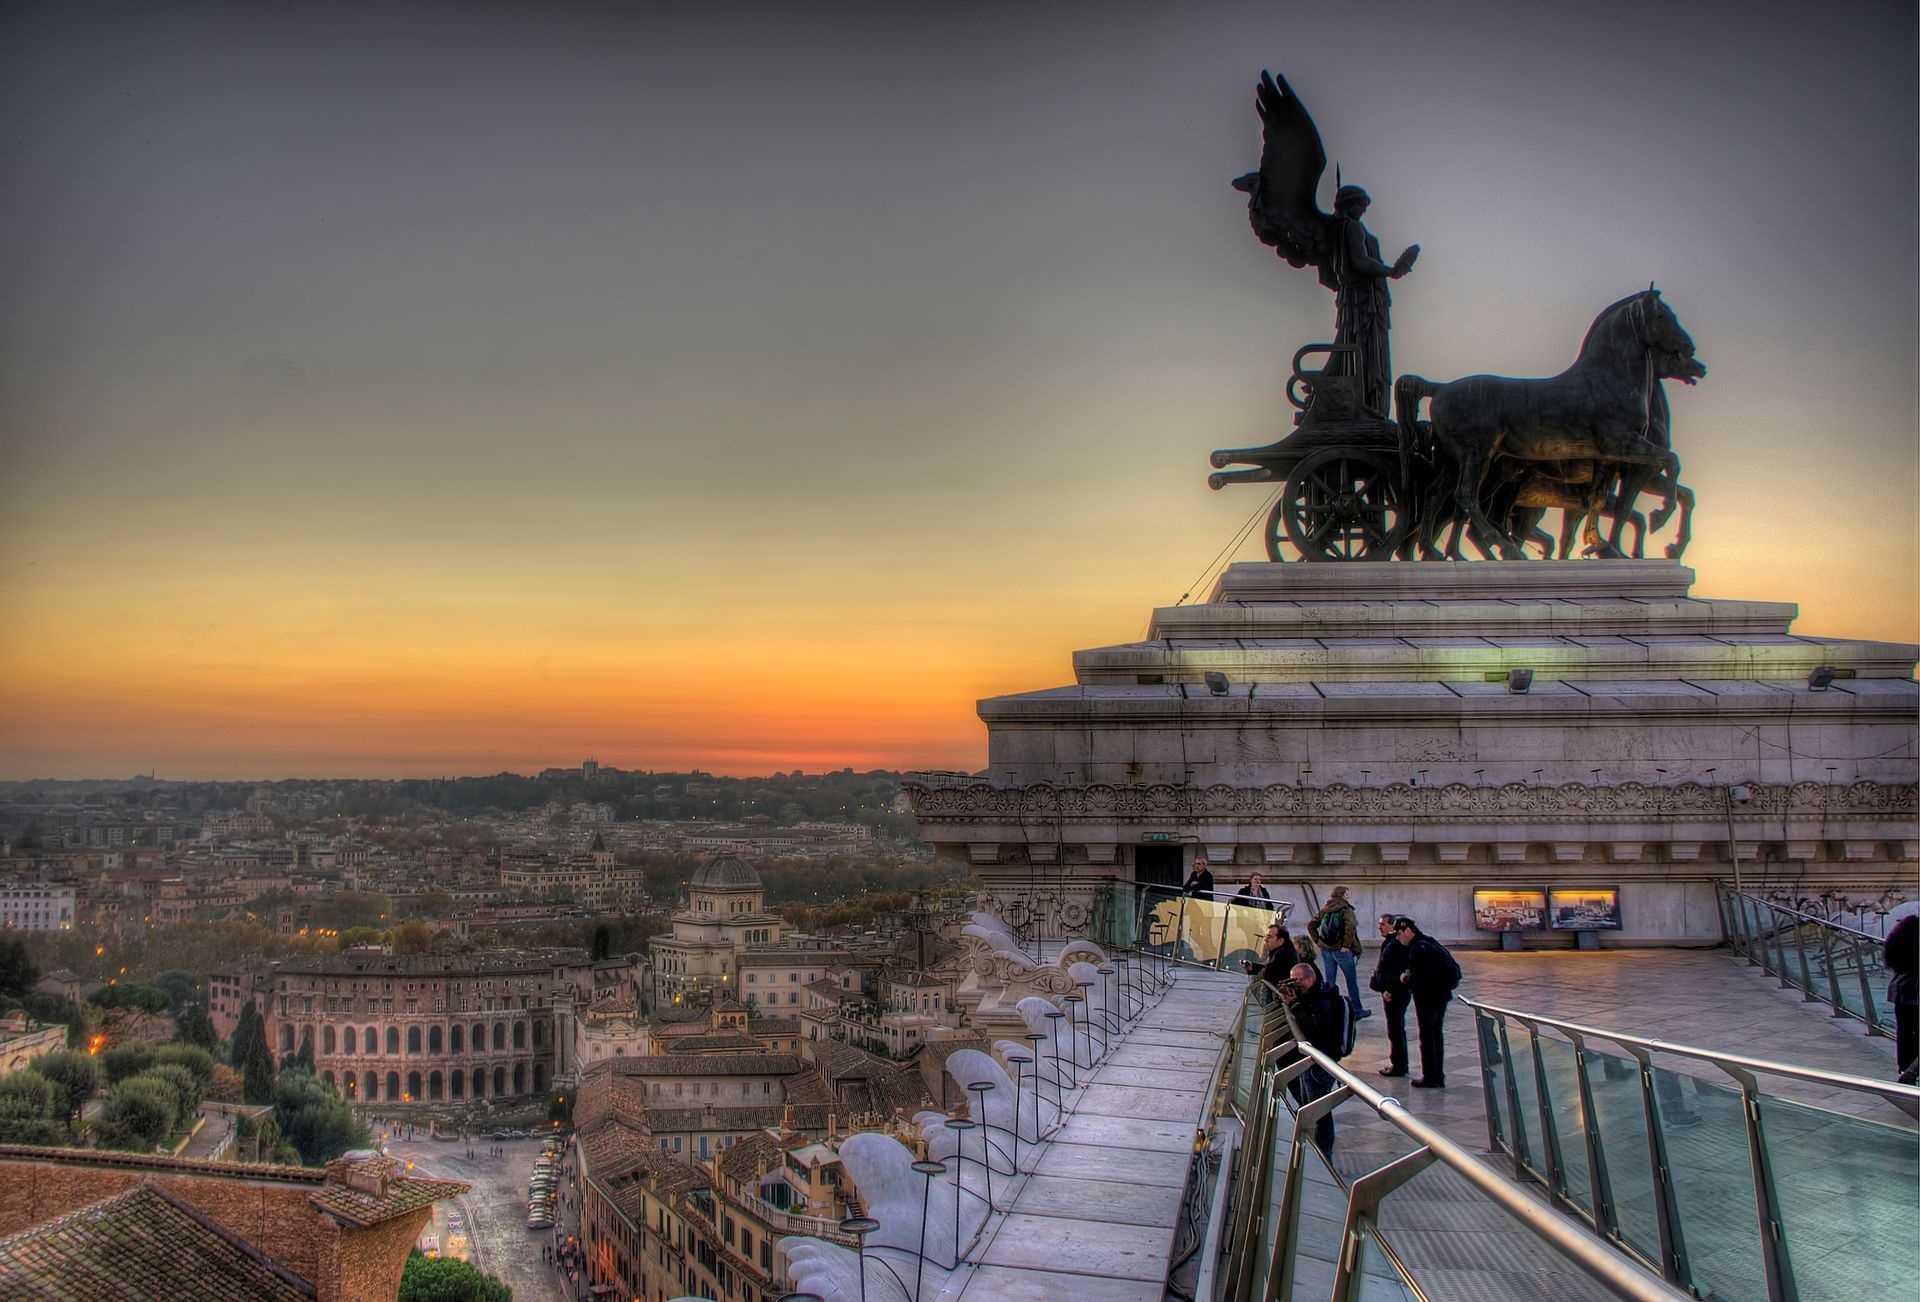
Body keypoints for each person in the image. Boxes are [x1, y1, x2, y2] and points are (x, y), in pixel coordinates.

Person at [1330, 184, 1417, 418]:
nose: (1364, 210)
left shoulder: (1344, 228)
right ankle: (1366, 403)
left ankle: (1363, 401)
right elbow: (1359, 262)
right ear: (1350, 204)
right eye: (1362, 205)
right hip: (1363, 302)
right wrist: (1391, 271)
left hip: (1363, 299)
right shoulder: (1353, 227)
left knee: (1362, 348)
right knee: (1366, 350)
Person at [1278, 962, 1348, 1153]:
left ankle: (1323, 1155)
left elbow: (1313, 1029)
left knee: (1319, 1113)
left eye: (1297, 980)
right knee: (1309, 1107)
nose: (1293, 985)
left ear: (1310, 980)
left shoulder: (1321, 1001)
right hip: (1310, 1060)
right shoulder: (1313, 996)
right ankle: (1315, 1149)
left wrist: (1295, 1004)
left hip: (1319, 1063)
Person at [1394, 917, 1461, 1088]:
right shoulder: (1429, 942)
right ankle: (1437, 1075)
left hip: (1428, 997)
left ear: (1408, 930)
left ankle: (1431, 1076)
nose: (1398, 938)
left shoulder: (1419, 948)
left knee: (1427, 1035)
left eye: (1399, 934)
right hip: (1440, 995)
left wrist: (1406, 978)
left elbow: (1420, 978)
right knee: (1435, 1034)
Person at [1309, 886, 1369, 1020]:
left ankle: (1328, 1008)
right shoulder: (1346, 909)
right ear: (1342, 895)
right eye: (1347, 893)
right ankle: (1357, 1010)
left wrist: (1318, 941)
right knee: (1351, 981)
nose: (1348, 896)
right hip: (1342, 950)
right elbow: (1351, 927)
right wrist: (1346, 945)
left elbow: (1311, 925)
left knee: (1329, 982)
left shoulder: (1325, 909)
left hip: (1326, 949)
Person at [1368, 913, 1410, 1077]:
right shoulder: (1391, 942)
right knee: (1395, 1028)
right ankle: (1399, 1063)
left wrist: (1388, 990)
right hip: (1393, 992)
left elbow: (1394, 970)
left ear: (1393, 926)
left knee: (1395, 1029)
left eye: (1383, 924)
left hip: (1394, 993)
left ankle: (1399, 1065)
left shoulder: (1395, 944)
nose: (1380, 927)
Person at [1885, 914, 1917, 1085]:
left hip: (1900, 991)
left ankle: (1905, 1067)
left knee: (1904, 1032)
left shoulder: (1900, 936)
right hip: (1915, 992)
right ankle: (1911, 1071)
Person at [1242, 921, 1299, 988]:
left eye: (1269, 937)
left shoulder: (1282, 954)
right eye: (1265, 936)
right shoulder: (1283, 951)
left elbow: (1267, 972)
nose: (1265, 939)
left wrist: (1254, 977)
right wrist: (1252, 967)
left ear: (1280, 941)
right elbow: (1271, 969)